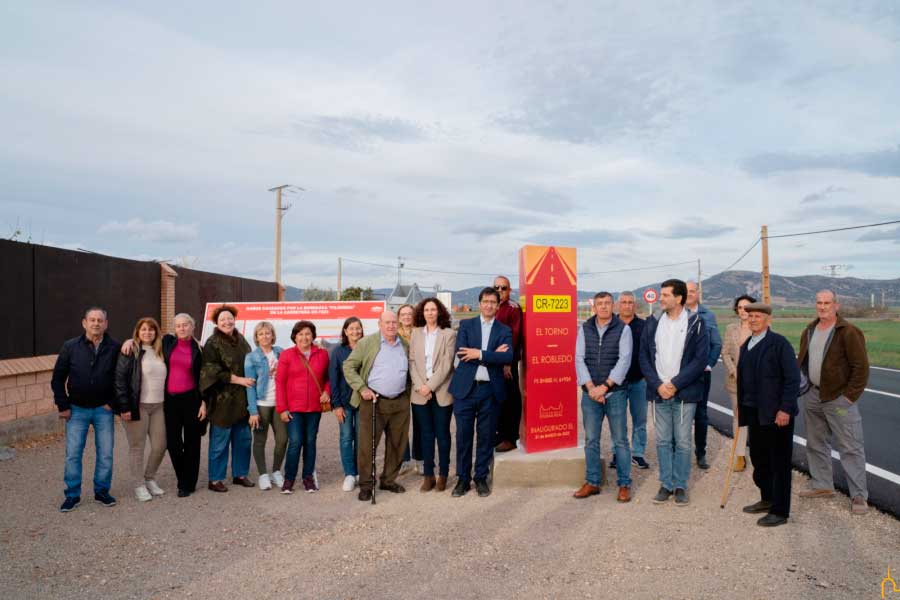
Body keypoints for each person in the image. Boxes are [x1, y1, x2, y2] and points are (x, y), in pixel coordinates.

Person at [797, 290, 871, 515]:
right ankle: (822, 485)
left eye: (827, 303)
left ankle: (859, 495)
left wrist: (848, 397)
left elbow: (861, 368)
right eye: (819, 302)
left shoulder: (848, 332)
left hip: (838, 398)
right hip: (813, 396)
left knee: (850, 447)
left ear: (836, 305)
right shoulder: (809, 330)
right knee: (816, 443)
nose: (822, 307)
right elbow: (804, 361)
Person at [639, 279, 710, 506]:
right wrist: (658, 384)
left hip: (684, 393)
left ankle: (680, 485)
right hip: (659, 392)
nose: (661, 299)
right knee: (662, 441)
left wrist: (675, 384)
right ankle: (666, 484)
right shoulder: (652, 323)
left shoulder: (696, 323)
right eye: (661, 295)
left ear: (678, 298)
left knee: (682, 442)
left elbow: (700, 360)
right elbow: (644, 358)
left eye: (666, 295)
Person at [737, 303, 801, 527]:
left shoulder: (779, 344)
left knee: (780, 462)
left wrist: (785, 409)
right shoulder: (747, 344)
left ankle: (780, 511)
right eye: (750, 316)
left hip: (776, 414)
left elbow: (793, 380)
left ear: (768, 320)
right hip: (754, 413)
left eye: (758, 316)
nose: (753, 319)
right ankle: (767, 498)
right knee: (759, 458)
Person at [52, 307, 120, 512]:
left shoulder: (114, 347)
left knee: (106, 453)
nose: (96, 323)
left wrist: (113, 403)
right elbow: (57, 378)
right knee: (73, 454)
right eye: (92, 320)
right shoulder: (70, 346)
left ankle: (102, 491)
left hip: (104, 410)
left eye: (100, 320)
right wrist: (62, 405)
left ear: (106, 324)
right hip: (76, 409)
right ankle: (72, 495)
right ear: (84, 323)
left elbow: (121, 378)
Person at [448, 287, 513, 498]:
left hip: (490, 392)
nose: (489, 305)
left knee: (486, 438)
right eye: (485, 301)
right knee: (464, 437)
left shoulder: (504, 330)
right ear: (480, 303)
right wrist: (491, 355)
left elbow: (507, 358)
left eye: (493, 302)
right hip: (465, 390)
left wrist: (479, 353)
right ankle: (463, 479)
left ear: (497, 305)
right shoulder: (466, 325)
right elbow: (462, 352)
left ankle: (481, 478)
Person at [343, 310, 412, 501]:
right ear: (379, 324)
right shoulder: (367, 343)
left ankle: (388, 480)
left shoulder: (404, 345)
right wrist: (362, 388)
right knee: (367, 445)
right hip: (373, 401)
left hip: (399, 401)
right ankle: (366, 485)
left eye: (393, 322)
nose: (391, 326)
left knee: (398, 444)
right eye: (387, 322)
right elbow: (348, 367)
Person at [573, 292, 634, 502]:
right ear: (594, 307)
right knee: (591, 440)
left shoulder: (623, 329)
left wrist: (605, 387)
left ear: (613, 305)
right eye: (600, 304)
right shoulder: (584, 329)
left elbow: (624, 361)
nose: (604, 307)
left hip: (615, 393)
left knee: (620, 441)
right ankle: (592, 482)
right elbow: (579, 359)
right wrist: (591, 388)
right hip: (590, 395)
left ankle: (624, 484)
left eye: (607, 303)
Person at [200, 304, 255, 492]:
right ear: (217, 322)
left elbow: (251, 362)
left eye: (229, 318)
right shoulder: (212, 342)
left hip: (243, 399)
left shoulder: (241, 340)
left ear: (234, 319)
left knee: (243, 440)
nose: (227, 321)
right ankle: (215, 479)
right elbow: (211, 370)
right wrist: (239, 379)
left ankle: (240, 474)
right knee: (220, 442)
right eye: (222, 319)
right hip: (222, 400)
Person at [114, 317, 169, 502]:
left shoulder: (161, 350)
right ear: (137, 332)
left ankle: (149, 478)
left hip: (159, 406)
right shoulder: (130, 351)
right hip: (138, 407)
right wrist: (124, 407)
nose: (147, 333)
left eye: (151, 330)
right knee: (137, 448)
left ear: (156, 332)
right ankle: (138, 485)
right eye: (143, 329)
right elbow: (120, 380)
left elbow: (183, 337)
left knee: (160, 446)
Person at [276, 320, 331, 494]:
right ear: (295, 337)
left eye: (307, 334)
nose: (304, 337)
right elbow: (280, 382)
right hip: (293, 407)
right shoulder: (287, 355)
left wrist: (327, 392)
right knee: (295, 442)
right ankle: (289, 479)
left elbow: (329, 378)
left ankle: (308, 478)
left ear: (313, 336)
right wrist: (282, 408)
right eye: (300, 334)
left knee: (310, 442)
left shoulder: (322, 354)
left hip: (315, 407)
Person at [408, 297, 457, 492]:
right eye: (427, 310)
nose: (430, 313)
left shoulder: (448, 334)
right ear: (422, 313)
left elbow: (447, 364)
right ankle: (429, 475)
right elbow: (412, 362)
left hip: (441, 391)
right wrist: (421, 386)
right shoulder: (415, 334)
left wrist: (430, 386)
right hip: (420, 393)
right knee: (426, 436)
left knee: (442, 435)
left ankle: (443, 474)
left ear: (439, 312)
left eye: (433, 310)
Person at [162, 313, 206, 497]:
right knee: (173, 443)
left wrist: (204, 402)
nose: (182, 328)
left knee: (192, 443)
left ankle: (187, 484)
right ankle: (183, 476)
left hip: (192, 400)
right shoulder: (166, 342)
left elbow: (205, 379)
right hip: (170, 400)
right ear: (174, 328)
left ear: (192, 327)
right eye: (178, 325)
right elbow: (144, 336)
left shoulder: (200, 349)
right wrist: (129, 341)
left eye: (185, 324)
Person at [244, 321, 287, 491]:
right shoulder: (251, 357)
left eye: (267, 333)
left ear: (272, 335)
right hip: (262, 404)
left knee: (283, 439)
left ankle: (276, 471)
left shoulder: (281, 353)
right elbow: (250, 385)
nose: (264, 337)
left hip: (280, 404)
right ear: (256, 337)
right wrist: (253, 411)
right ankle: (263, 474)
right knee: (260, 440)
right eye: (260, 334)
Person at [685, 281, 722, 470]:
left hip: (700, 375)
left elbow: (716, 343)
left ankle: (701, 453)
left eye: (693, 291)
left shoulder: (708, 316)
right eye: (687, 291)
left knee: (701, 415)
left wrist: (709, 364)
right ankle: (679, 453)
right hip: (680, 376)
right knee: (680, 416)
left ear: (698, 293)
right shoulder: (674, 314)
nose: (690, 294)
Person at [614, 291, 649, 470]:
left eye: (630, 302)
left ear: (634, 305)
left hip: (638, 381)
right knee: (617, 420)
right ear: (618, 305)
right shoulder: (612, 325)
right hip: (616, 383)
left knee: (640, 420)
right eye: (624, 302)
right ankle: (617, 452)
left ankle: (637, 453)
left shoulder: (643, 326)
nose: (627, 305)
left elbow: (651, 351)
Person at [721, 294, 756, 472]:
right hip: (736, 383)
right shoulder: (731, 328)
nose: (744, 310)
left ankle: (759, 453)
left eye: (747, 307)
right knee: (739, 417)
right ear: (737, 310)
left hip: (757, 383)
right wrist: (734, 371)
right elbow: (725, 353)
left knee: (758, 418)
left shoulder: (761, 327)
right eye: (740, 307)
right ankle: (740, 455)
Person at [330, 317, 364, 492]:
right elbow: (333, 380)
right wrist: (336, 405)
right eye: (351, 329)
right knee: (346, 438)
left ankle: (359, 472)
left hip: (362, 401)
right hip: (344, 402)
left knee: (360, 439)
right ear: (345, 331)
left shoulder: (366, 348)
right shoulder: (338, 351)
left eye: (358, 328)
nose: (355, 332)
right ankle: (349, 474)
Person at [493, 275, 523, 453]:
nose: (499, 291)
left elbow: (515, 336)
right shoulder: (491, 307)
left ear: (509, 290)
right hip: (492, 362)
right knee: (496, 400)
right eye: (496, 287)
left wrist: (508, 363)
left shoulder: (512, 308)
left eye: (503, 288)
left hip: (507, 363)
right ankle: (499, 435)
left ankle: (510, 437)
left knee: (510, 400)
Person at [397, 303, 422, 475]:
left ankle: (420, 458)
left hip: (418, 382)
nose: (406, 317)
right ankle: (404, 459)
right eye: (403, 314)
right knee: (400, 423)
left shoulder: (421, 333)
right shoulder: (394, 336)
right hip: (400, 384)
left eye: (409, 314)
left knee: (420, 422)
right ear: (398, 317)